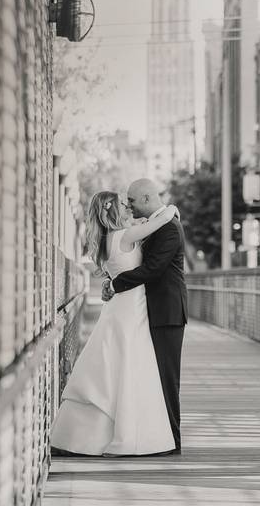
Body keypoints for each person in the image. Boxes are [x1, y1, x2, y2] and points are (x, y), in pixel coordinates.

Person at [50, 190, 179, 456]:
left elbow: (144, 230)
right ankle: (130, 432)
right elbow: (159, 221)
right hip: (132, 307)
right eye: (122, 204)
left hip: (119, 306)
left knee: (114, 363)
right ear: (111, 209)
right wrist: (172, 208)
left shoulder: (108, 239)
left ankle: (91, 432)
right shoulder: (125, 236)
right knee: (130, 363)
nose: (126, 207)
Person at [103, 178, 189, 453]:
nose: (129, 205)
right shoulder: (159, 225)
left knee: (167, 377)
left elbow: (152, 269)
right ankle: (158, 436)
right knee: (154, 377)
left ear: (146, 199)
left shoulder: (169, 230)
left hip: (167, 312)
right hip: (151, 311)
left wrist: (115, 284)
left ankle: (172, 441)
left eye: (132, 201)